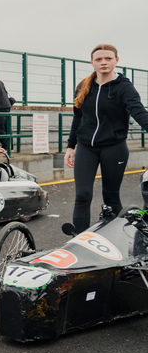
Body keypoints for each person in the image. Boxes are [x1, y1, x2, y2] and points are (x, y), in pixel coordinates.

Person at [63, 44, 148, 233]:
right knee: (82, 195)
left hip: (114, 147)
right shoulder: (83, 86)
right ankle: (78, 240)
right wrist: (71, 146)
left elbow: (139, 112)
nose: (103, 62)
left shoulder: (124, 88)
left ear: (116, 61)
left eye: (108, 58)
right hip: (86, 147)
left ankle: (118, 238)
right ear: (92, 62)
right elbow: (78, 118)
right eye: (99, 59)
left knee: (110, 196)